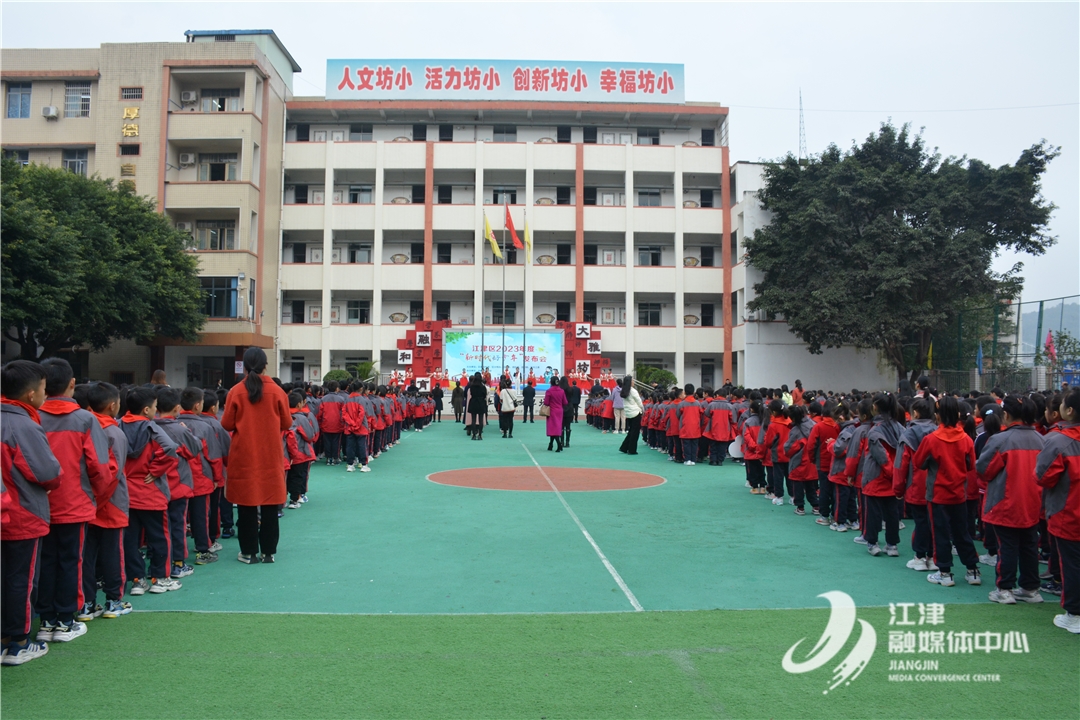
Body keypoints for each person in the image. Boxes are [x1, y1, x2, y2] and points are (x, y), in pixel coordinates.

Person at [35, 358, 111, 644]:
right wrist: (96, 499)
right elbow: (100, 469)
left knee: (45, 561)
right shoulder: (84, 419)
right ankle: (66, 619)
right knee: (71, 561)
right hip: (75, 503)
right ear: (72, 384)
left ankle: (47, 619)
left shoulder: (32, 416)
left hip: (38, 504)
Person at [1, 360, 62, 665]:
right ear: (29, 394)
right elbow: (47, 472)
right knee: (21, 578)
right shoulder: (23, 424)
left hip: (8, 511)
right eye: (42, 388)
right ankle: (18, 641)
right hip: (21, 512)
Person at [221, 347, 292, 564]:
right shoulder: (277, 392)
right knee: (270, 504)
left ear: (244, 366)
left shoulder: (235, 391)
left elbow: (226, 424)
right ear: (265, 365)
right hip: (270, 454)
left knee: (246, 504)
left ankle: (249, 552)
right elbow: (287, 423)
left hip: (244, 455)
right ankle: (268, 552)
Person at [976, 395, 1045, 604]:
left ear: (1005, 415)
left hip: (1005, 502)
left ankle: (1005, 588)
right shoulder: (1042, 439)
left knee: (1006, 547)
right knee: (1029, 545)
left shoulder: (1000, 440)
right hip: (1033, 502)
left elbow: (984, 470)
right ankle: (1030, 588)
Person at [915, 396, 982, 588]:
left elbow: (919, 462)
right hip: (959, 493)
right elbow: (970, 465)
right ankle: (972, 570)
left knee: (940, 533)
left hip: (937, 495)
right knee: (962, 532)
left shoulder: (931, 439)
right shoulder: (967, 439)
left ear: (938, 415)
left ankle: (944, 572)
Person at [81, 382, 133, 621]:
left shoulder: (85, 427)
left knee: (86, 555)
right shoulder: (114, 432)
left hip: (86, 501)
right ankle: (113, 600)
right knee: (112, 553)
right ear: (113, 406)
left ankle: (87, 603)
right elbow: (113, 473)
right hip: (109, 502)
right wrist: (98, 503)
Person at [120, 387, 179, 595]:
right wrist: (156, 470)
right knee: (159, 537)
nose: (156, 410)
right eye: (154, 407)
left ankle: (137, 579)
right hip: (150, 491)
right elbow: (171, 448)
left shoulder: (118, 425)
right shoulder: (150, 428)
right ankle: (160, 577)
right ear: (146, 410)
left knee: (130, 539)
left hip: (126, 491)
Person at [1035, 388, 1080, 634]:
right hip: (1070, 511)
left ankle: (1074, 613)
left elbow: (1043, 476)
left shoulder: (1059, 441)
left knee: (1071, 564)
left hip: (1069, 513)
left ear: (1069, 411)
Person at [154, 387, 202, 580]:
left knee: (157, 528)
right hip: (178, 484)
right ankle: (178, 563)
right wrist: (187, 432)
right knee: (178, 525)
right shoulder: (178, 429)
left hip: (156, 485)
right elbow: (195, 448)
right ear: (177, 408)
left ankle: (159, 563)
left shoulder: (150, 427)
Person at [316, 380, 345, 465]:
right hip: (337, 423)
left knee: (327, 441)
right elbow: (343, 412)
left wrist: (320, 422)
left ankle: (329, 458)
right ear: (336, 388)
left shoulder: (323, 399)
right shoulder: (341, 399)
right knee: (336, 441)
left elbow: (320, 413)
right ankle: (336, 458)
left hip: (326, 423)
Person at [618, 376, 645, 455]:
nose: (633, 382)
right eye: (632, 380)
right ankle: (631, 449)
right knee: (635, 432)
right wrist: (642, 410)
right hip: (636, 412)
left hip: (628, 413)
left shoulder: (624, 391)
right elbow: (639, 402)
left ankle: (624, 447)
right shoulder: (633, 391)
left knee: (631, 431)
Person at [544, 378, 567, 452]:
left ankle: (558, 444)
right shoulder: (562, 391)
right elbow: (565, 402)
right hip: (559, 411)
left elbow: (546, 403)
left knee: (552, 428)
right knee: (557, 427)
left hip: (552, 411)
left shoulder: (549, 391)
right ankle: (551, 444)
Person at [466, 373, 488, 440]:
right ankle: (480, 435)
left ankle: (473, 435)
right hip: (481, 402)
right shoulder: (483, 387)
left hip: (473, 402)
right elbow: (485, 395)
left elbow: (471, 393)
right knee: (481, 420)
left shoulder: (472, 386)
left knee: (473, 420)